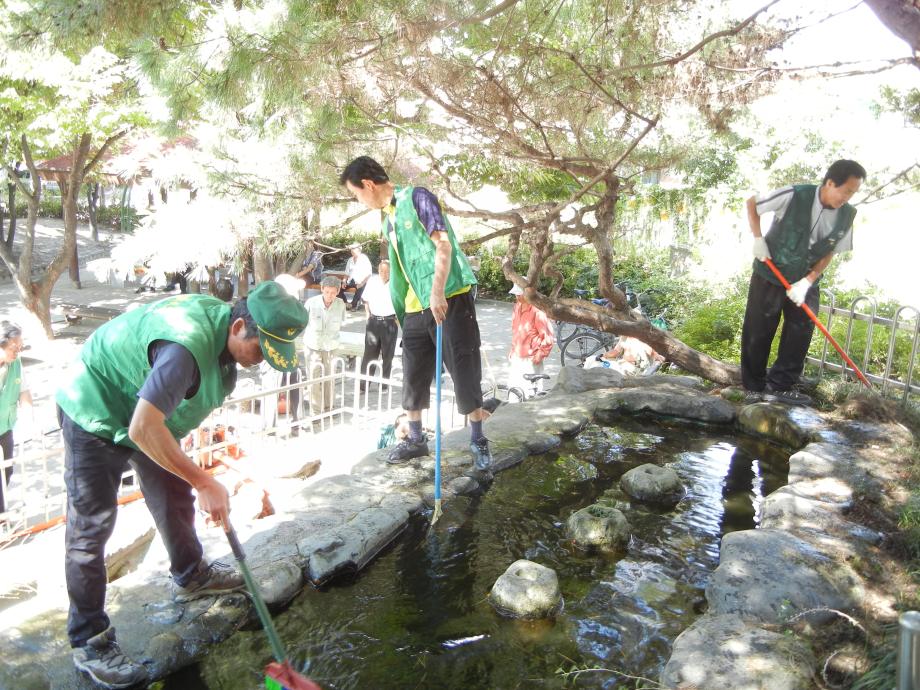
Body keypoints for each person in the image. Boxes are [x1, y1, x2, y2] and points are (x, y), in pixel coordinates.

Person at [55, 281, 308, 689]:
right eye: (260, 350)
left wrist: (194, 478)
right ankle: (89, 640)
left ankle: (191, 574)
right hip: (97, 404)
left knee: (175, 492)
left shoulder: (223, 335)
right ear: (239, 325)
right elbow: (142, 427)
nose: (259, 361)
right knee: (91, 527)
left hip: (144, 409)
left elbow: (158, 418)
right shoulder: (184, 350)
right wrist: (205, 479)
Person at [340, 155, 493, 471]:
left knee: (464, 369)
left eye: (356, 192)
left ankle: (478, 438)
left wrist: (437, 291)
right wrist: (401, 307)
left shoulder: (417, 197)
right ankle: (415, 439)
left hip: (449, 299)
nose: (358, 199)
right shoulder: (387, 218)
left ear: (368, 184)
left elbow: (444, 245)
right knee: (413, 375)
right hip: (413, 308)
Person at [741, 159, 866, 406]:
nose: (848, 197)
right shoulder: (794, 194)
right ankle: (753, 387)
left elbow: (830, 251)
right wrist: (758, 239)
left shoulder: (847, 215)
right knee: (759, 327)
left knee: (801, 330)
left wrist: (807, 282)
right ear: (830, 183)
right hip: (771, 270)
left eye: (853, 193)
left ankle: (780, 386)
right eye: (847, 190)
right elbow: (752, 202)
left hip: (805, 278)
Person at [0, 322, 32, 516]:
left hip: (5, 428)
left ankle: (1, 517)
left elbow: (24, 393)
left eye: (19, 348)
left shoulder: (16, 364)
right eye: (13, 348)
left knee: (6, 472)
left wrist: (30, 419)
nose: (17, 352)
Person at [303, 275, 347, 416]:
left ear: (338, 291)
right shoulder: (311, 302)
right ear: (322, 289)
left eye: (333, 292)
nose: (330, 296)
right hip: (313, 346)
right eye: (327, 292)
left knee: (330, 378)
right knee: (314, 380)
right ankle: (315, 411)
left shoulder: (340, 304)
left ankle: (329, 408)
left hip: (331, 347)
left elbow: (342, 322)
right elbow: (303, 322)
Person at [507, 284, 555, 394]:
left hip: (531, 357)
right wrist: (513, 349)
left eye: (520, 294)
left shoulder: (537, 311)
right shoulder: (517, 307)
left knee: (530, 392)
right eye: (516, 294)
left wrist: (540, 354)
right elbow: (516, 331)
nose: (517, 297)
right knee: (514, 389)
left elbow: (548, 336)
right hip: (517, 355)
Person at [360, 259, 398, 391]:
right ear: (378, 270)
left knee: (388, 355)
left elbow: (401, 301)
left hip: (390, 322)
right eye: (381, 271)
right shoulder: (372, 281)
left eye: (387, 271)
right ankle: (364, 385)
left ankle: (383, 385)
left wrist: (398, 318)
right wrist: (367, 314)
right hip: (374, 321)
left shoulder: (396, 282)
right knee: (369, 354)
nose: (384, 273)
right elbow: (365, 299)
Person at [599, 336, 664, 375]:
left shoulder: (642, 338)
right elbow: (616, 351)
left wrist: (657, 356)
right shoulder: (625, 337)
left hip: (632, 369)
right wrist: (604, 355)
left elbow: (651, 352)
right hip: (623, 364)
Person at [339, 242, 372, 310]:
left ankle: (354, 305)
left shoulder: (364, 258)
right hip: (350, 281)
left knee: (361, 287)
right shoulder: (350, 260)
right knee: (337, 286)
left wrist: (362, 283)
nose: (351, 250)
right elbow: (346, 273)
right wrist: (344, 281)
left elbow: (369, 273)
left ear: (359, 250)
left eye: (353, 249)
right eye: (351, 249)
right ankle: (346, 303)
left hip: (360, 281)